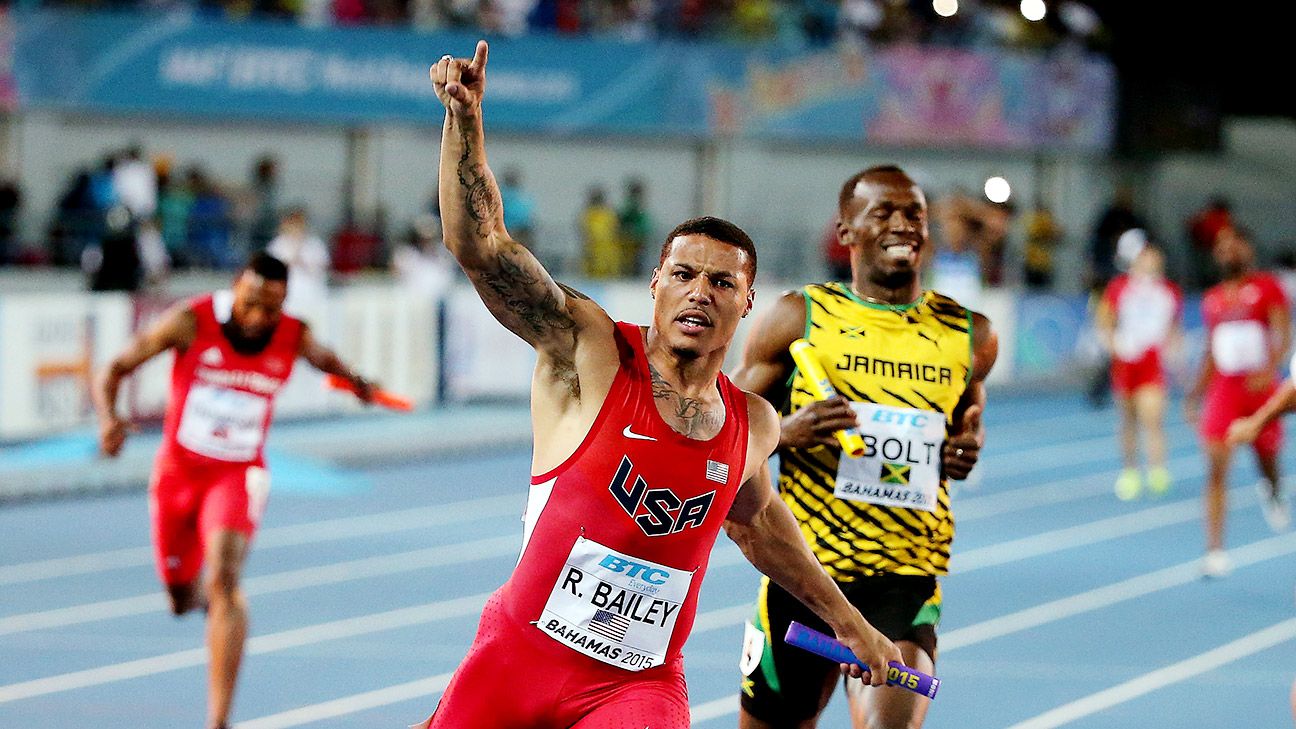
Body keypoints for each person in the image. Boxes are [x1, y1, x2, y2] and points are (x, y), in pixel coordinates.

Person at [420, 41, 902, 729]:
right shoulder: (588, 349)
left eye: (721, 280)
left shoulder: (753, 423)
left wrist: (853, 625)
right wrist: (464, 120)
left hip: (634, 686)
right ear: (655, 285)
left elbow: (762, 525)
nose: (698, 291)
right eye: (682, 274)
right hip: (518, 656)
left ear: (746, 301)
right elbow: (482, 245)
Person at [731, 165, 998, 729]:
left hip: (902, 576)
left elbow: (969, 410)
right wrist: (786, 431)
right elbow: (722, 425)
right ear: (846, 230)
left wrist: (968, 441)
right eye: (884, 212)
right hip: (803, 573)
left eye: (915, 214)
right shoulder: (798, 319)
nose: (903, 224)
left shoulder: (969, 333)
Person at [92, 252, 375, 729]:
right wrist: (109, 420)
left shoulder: (293, 335)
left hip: (237, 474)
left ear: (283, 304)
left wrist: (359, 383)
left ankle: (218, 720)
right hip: (178, 474)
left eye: (271, 308)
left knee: (225, 579)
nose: (258, 317)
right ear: (234, 291)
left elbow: (326, 360)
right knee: (181, 599)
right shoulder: (189, 322)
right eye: (250, 303)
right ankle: (201, 598)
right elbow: (115, 368)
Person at [1185, 226, 1291, 578]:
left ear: (1248, 249)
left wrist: (1271, 367)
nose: (1228, 252)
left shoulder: (1267, 287)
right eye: (1222, 246)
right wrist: (1195, 393)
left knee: (1267, 457)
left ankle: (1274, 489)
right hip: (1225, 390)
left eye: (1235, 245)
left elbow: (1284, 333)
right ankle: (1214, 551)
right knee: (1215, 468)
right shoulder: (1212, 298)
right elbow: (1212, 351)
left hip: (1260, 386)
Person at [1096, 244, 1182, 500]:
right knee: (1128, 419)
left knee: (1153, 417)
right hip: (1126, 360)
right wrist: (1115, 346)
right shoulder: (1119, 288)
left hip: (1152, 360)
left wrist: (1173, 350)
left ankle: (1157, 470)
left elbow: (1174, 326)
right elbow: (1105, 320)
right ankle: (1130, 472)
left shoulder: (1169, 291)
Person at [266, 207, 330, 321]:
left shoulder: (315, 244)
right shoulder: (278, 245)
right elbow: (271, 270)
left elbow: (322, 267)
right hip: (288, 297)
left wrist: (302, 261)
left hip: (312, 294)